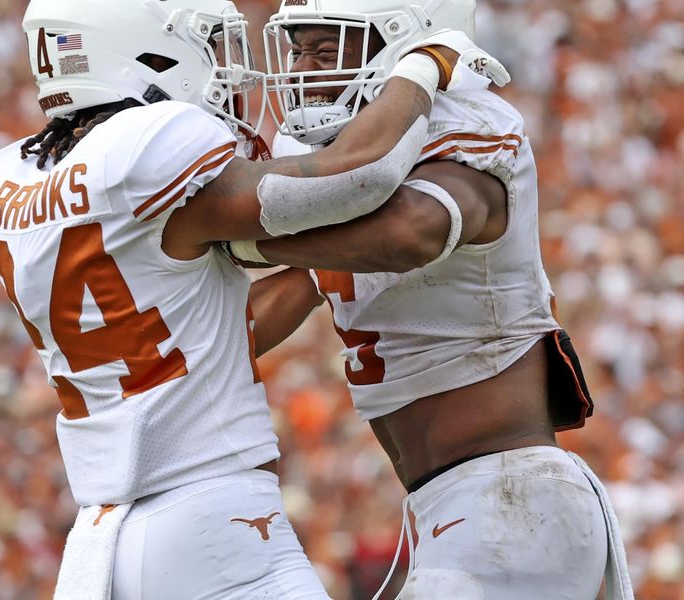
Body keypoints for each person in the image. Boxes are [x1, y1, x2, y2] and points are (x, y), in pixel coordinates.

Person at [0, 0, 496, 597]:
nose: (224, 69)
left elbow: (209, 329)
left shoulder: (1, 183)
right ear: (142, 50)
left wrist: (318, 274)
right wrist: (422, 67)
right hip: (216, 521)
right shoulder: (149, 146)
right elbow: (359, 174)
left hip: (102, 541)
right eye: (209, 45)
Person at [226, 1, 635, 598]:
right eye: (299, 49)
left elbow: (409, 232)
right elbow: (256, 319)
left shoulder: (464, 122)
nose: (304, 69)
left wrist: (248, 236)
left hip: (508, 490)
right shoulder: (346, 178)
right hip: (446, 503)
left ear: (404, 43)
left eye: (327, 49)